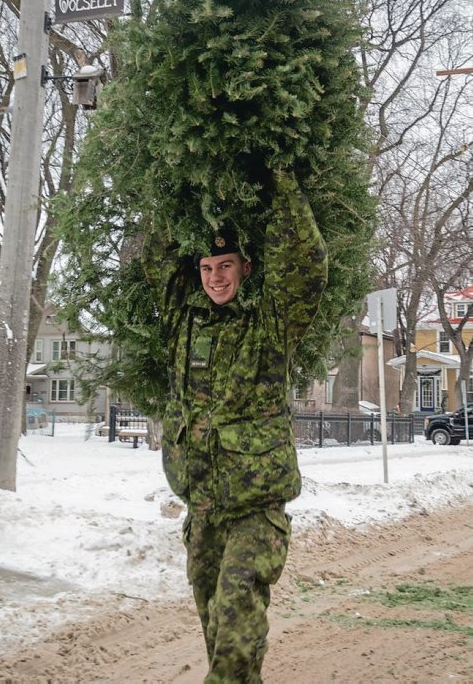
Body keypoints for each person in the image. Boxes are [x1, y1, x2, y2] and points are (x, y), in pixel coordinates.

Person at [142, 171, 328, 683]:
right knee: (218, 631)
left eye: (225, 265)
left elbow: (306, 268)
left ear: (246, 267)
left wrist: (278, 179)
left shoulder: (272, 321)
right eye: (205, 266)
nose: (215, 278)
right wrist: (172, 174)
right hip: (202, 510)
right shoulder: (184, 319)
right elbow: (157, 258)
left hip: (255, 513)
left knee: (238, 608)